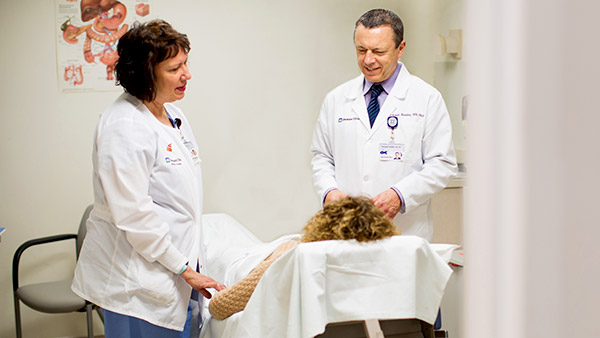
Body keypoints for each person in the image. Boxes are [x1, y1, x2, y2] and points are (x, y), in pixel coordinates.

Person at [71, 19, 225, 338]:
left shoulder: (174, 116)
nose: (187, 74)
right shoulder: (124, 125)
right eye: (174, 68)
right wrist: (184, 269)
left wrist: (190, 266)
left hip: (176, 270)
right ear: (145, 74)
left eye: (185, 64)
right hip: (136, 282)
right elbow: (134, 215)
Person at [311, 9, 458, 241]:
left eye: (378, 51)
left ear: (400, 49)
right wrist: (330, 192)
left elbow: (442, 164)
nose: (368, 60)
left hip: (405, 233)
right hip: (346, 232)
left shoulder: (426, 98)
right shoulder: (336, 99)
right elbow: (322, 157)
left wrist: (400, 195)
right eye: (361, 50)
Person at [207, 196, 399, 320]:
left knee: (217, 224)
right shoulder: (375, 266)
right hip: (250, 256)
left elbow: (219, 307)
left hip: (240, 256)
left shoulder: (294, 255)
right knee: (218, 223)